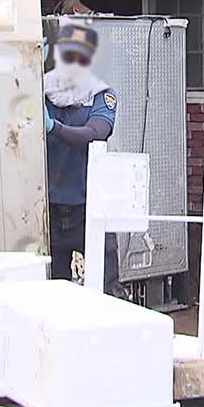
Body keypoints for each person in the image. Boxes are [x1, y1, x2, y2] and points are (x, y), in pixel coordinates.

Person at [43, 23, 123, 297]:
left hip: (91, 208)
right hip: (48, 211)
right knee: (52, 296)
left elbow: (94, 134)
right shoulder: (39, 91)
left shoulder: (101, 94)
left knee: (107, 291)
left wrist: (54, 127)